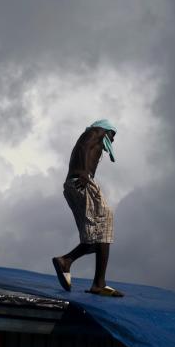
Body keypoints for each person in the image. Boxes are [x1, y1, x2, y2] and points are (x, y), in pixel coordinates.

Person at [51, 119, 124, 297]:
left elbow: (83, 149)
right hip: (82, 182)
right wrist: (84, 171)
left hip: (73, 185)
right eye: (113, 135)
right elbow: (84, 146)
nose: (113, 140)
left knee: (95, 239)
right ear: (107, 130)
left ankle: (67, 262)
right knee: (105, 222)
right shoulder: (96, 131)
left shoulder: (97, 140)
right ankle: (98, 283)